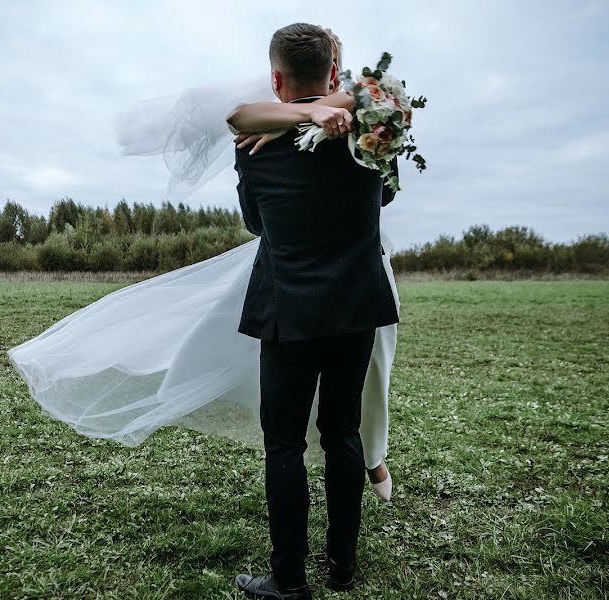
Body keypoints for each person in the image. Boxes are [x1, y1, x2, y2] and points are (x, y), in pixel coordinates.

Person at [5, 26, 401, 506]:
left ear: (280, 78)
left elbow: (259, 208)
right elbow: (376, 190)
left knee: (325, 406)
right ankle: (355, 483)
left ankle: (362, 466)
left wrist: (308, 116)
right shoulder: (340, 124)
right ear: (328, 69)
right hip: (345, 282)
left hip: (320, 277)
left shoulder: (356, 113)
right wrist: (305, 115)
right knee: (346, 395)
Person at [230, 23, 399, 599]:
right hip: (355, 308)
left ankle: (288, 580)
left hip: (288, 312)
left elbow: (255, 223)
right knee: (342, 433)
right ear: (335, 72)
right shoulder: (376, 133)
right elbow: (386, 194)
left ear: (276, 78)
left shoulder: (255, 148)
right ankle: (344, 568)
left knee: (284, 445)